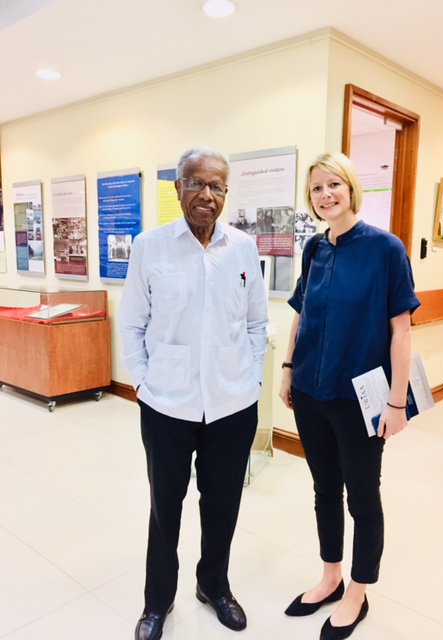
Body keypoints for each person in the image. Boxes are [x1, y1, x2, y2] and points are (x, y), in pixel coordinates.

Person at [119, 148, 268, 640]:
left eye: (217, 186)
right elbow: (133, 323)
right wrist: (142, 383)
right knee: (167, 505)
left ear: (226, 194)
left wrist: (250, 381)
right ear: (178, 187)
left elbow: (256, 322)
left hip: (231, 404)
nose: (207, 194)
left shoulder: (243, 248)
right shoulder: (150, 246)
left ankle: (214, 586)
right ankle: (157, 602)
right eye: (197, 183)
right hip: (167, 405)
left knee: (223, 502)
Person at [279, 152, 420, 640]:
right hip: (311, 391)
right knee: (323, 490)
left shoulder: (386, 249)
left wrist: (397, 402)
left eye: (333, 184)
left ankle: (358, 592)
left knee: (362, 495)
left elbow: (400, 330)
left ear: (352, 187)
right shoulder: (315, 250)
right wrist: (287, 368)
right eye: (316, 188)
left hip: (360, 396)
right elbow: (301, 312)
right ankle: (330, 575)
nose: (325, 195)